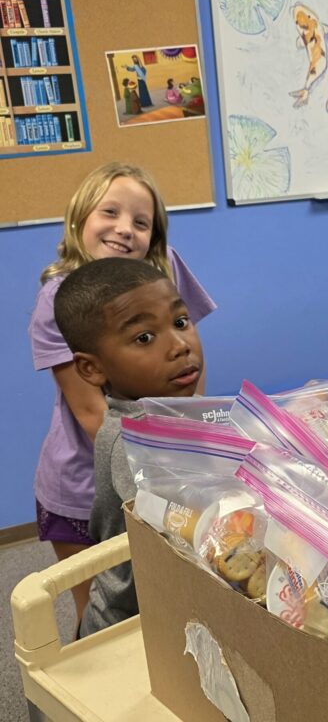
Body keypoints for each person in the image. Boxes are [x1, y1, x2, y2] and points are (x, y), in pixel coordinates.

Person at [28, 162, 216, 627]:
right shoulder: (59, 298)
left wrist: (190, 442)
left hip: (159, 465)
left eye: (141, 221)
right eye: (109, 212)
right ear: (79, 219)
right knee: (104, 608)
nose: (125, 228)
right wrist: (175, 470)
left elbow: (189, 367)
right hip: (84, 485)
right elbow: (95, 413)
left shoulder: (162, 268)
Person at [52, 257, 205, 635]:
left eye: (180, 322)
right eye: (144, 338)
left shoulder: (178, 411)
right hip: (126, 624)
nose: (180, 345)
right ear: (92, 369)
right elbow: (184, 528)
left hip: (167, 603)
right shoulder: (129, 439)